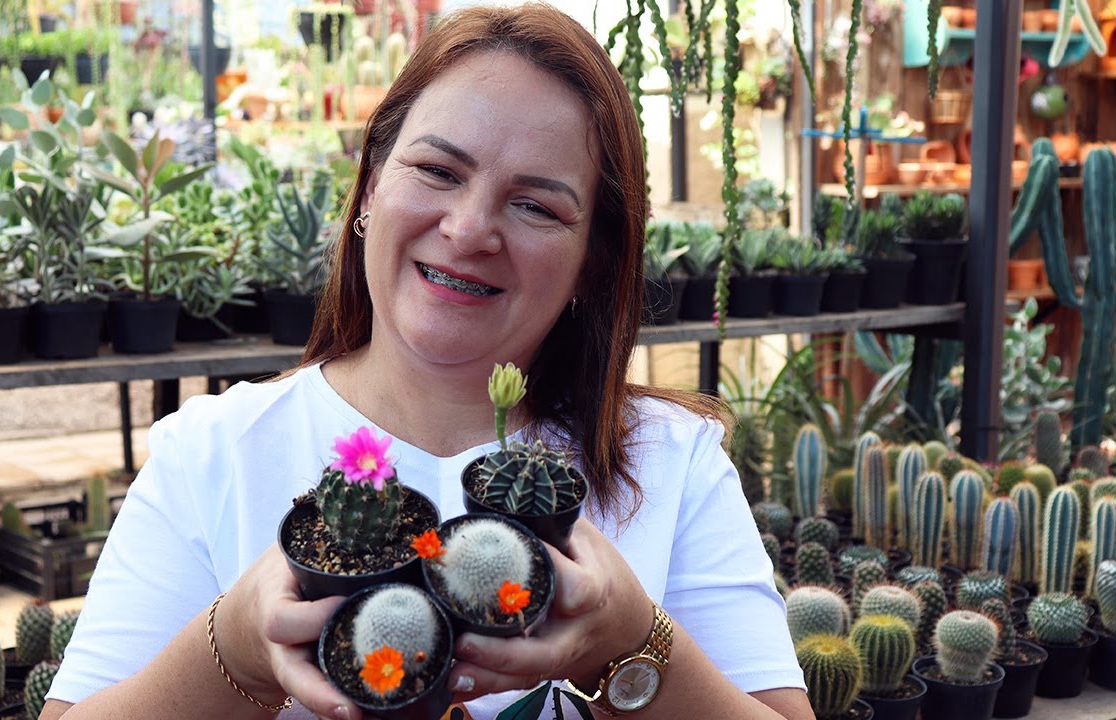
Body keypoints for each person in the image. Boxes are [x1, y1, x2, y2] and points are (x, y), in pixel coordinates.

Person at [42, 5, 812, 719]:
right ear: (370, 190)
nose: (469, 228)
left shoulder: (672, 464)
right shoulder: (214, 453)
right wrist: (235, 648)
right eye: (438, 171)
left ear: (593, 259)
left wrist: (632, 642)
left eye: (536, 205)